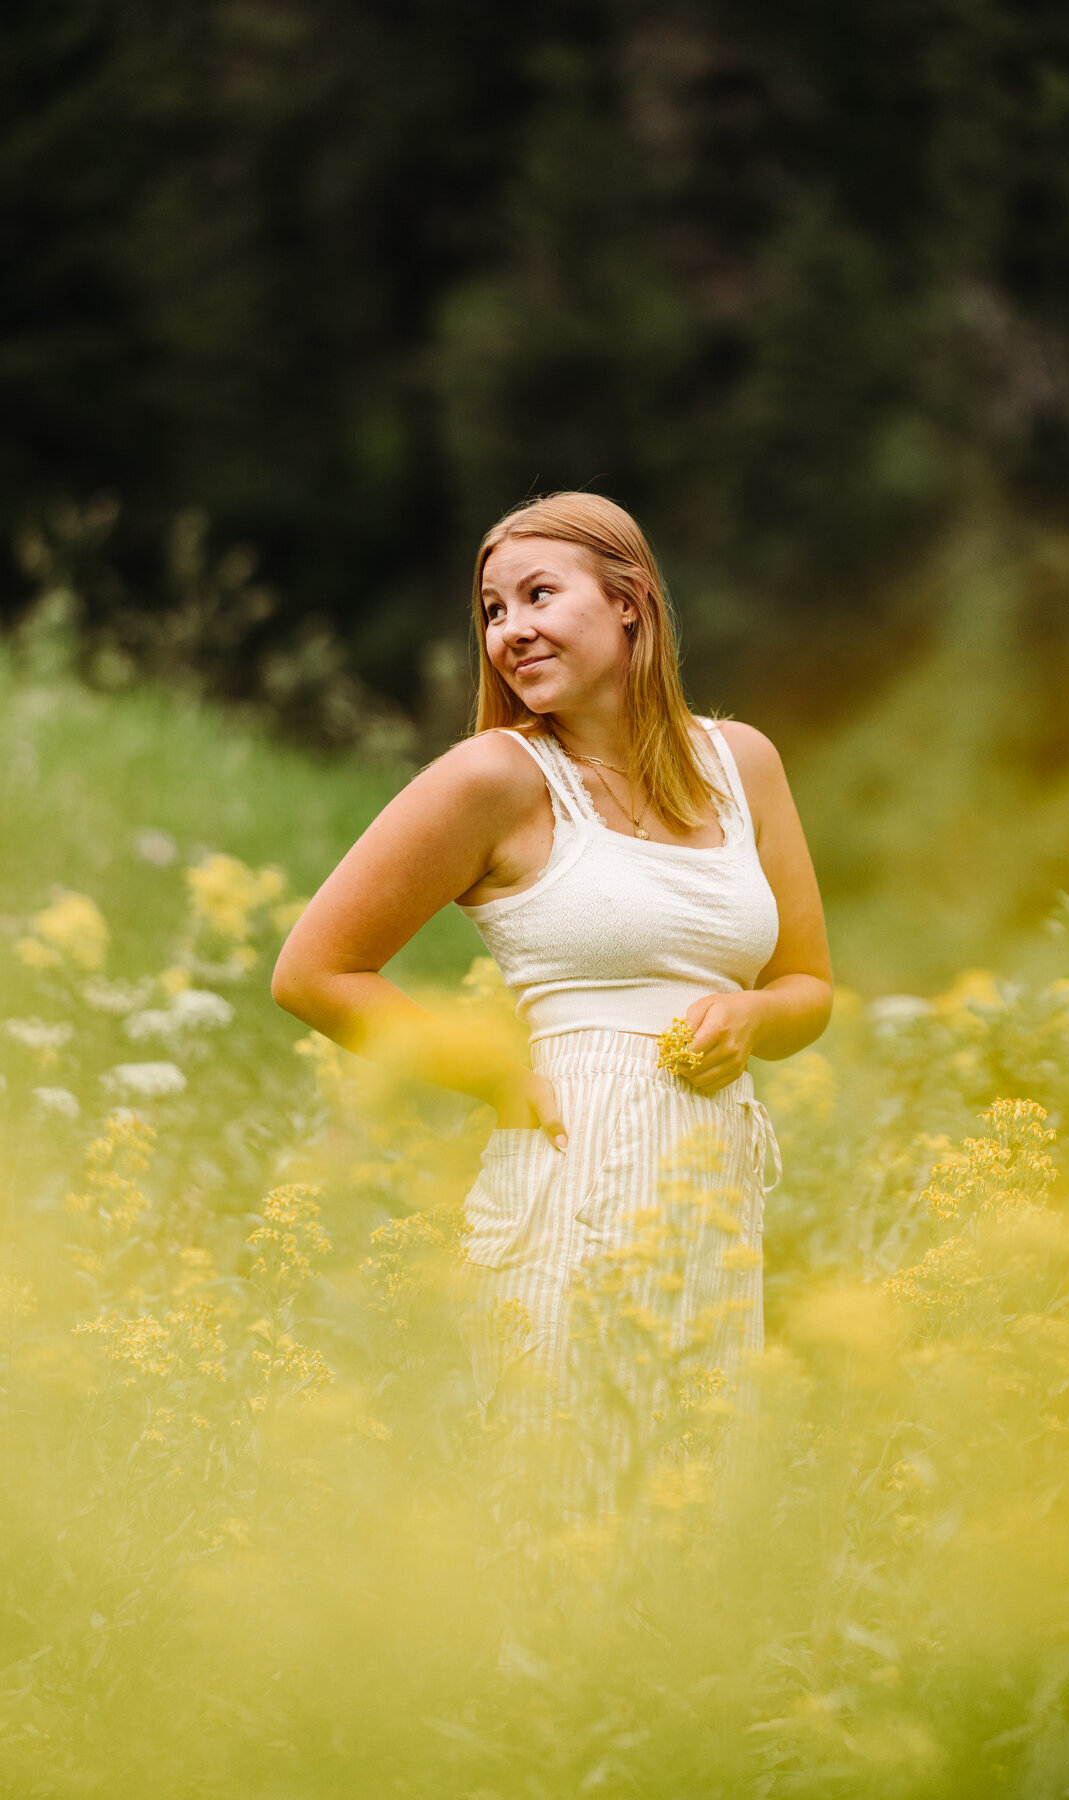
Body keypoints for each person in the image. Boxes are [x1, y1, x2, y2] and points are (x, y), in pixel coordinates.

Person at [271, 492, 833, 1479]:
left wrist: (750, 1013)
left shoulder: (745, 763)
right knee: (563, 1495)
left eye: (538, 595)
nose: (510, 630)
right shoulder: (494, 777)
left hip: (711, 1187)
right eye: (492, 610)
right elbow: (315, 972)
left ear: (629, 602)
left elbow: (807, 988)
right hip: (569, 1165)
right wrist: (488, 1074)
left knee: (694, 1504)